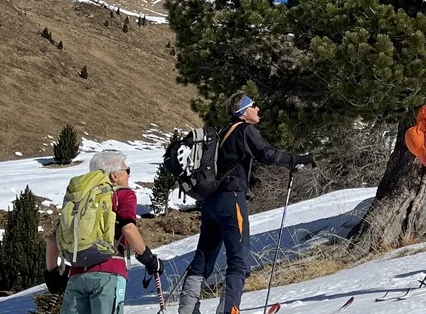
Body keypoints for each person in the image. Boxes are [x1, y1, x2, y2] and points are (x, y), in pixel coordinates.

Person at [178, 93, 316, 314]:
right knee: (238, 259)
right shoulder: (244, 130)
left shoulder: (223, 132)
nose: (258, 109)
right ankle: (229, 310)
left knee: (203, 256)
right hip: (232, 199)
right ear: (242, 112)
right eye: (253, 105)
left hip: (211, 202)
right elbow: (267, 154)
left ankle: (187, 309)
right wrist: (296, 160)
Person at [44, 151, 162, 313]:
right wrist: (149, 259)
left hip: (76, 274)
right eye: (127, 170)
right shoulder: (123, 194)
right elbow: (128, 228)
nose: (129, 175)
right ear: (114, 175)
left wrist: (52, 275)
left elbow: (52, 240)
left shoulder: (81, 199)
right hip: (109, 272)